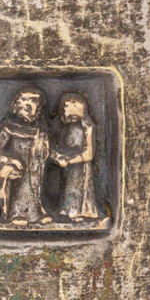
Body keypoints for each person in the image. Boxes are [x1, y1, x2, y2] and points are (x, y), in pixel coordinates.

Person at [0, 87, 52, 226]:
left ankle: (37, 214)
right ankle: (16, 214)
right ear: (16, 105)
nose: (30, 107)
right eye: (25, 101)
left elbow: (45, 148)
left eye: (34, 103)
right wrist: (11, 161)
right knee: (19, 189)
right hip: (18, 168)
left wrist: (42, 150)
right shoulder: (8, 127)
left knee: (35, 188)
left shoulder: (39, 129)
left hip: (34, 166)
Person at [51, 92, 101, 222]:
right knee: (68, 188)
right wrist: (58, 157)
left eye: (74, 115)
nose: (70, 118)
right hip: (67, 167)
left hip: (81, 166)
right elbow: (55, 146)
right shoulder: (62, 127)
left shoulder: (87, 127)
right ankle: (67, 211)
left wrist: (70, 160)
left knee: (78, 188)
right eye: (65, 109)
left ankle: (80, 212)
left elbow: (88, 154)